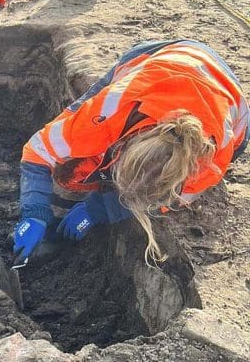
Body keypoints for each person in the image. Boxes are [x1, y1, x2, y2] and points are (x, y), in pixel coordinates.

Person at [14, 39, 248, 266]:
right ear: (122, 146)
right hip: (164, 56)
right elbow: (38, 151)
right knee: (80, 149)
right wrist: (35, 212)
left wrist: (99, 210)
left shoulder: (208, 167)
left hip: (231, 99)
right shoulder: (111, 108)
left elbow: (167, 201)